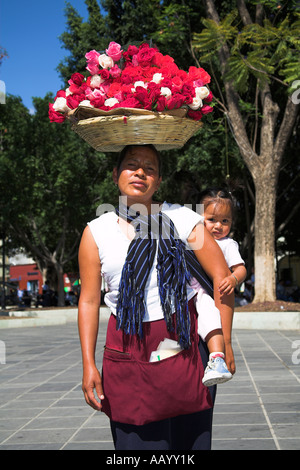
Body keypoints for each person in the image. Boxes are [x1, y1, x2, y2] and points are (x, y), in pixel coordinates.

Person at [78, 145, 235, 450]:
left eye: (149, 168)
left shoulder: (183, 219)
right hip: (126, 349)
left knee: (190, 444)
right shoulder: (95, 232)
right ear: (115, 174)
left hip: (184, 348)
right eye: (132, 165)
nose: (140, 172)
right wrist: (88, 364)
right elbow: (88, 301)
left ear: (159, 181)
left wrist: (224, 343)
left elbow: (222, 280)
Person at [190, 188, 246, 387]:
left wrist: (233, 279)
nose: (218, 226)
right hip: (186, 294)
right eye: (212, 219)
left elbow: (240, 269)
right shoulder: (190, 238)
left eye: (225, 221)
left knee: (208, 312)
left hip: (205, 293)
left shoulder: (228, 245)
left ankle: (216, 358)